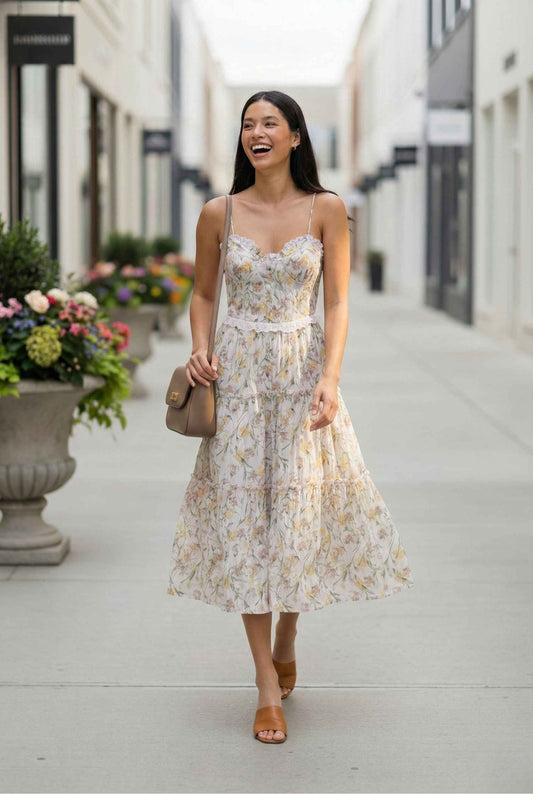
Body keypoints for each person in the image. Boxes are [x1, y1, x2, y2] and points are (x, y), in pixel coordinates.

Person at [167, 90, 414, 744]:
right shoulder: (217, 212)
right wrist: (199, 348)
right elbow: (202, 293)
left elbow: (336, 303)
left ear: (296, 136)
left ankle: (290, 627)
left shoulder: (326, 210)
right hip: (239, 378)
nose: (256, 132)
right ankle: (264, 686)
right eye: (247, 123)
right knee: (246, 523)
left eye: (269, 122)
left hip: (303, 375)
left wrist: (329, 378)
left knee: (299, 519)